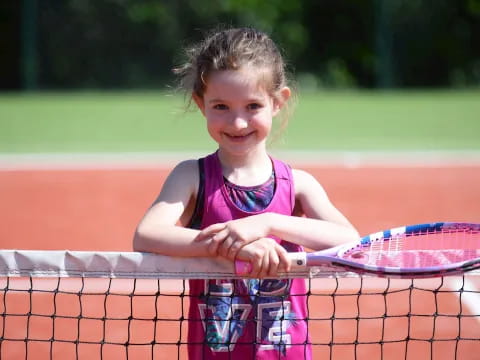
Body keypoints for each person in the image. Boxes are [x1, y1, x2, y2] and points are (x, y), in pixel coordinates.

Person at [133, 27, 359, 359]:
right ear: (200, 103)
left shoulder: (298, 184)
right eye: (221, 106)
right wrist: (234, 248)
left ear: (278, 102)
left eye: (252, 105)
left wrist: (268, 224)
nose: (238, 123)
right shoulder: (192, 177)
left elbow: (351, 243)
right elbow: (146, 235)